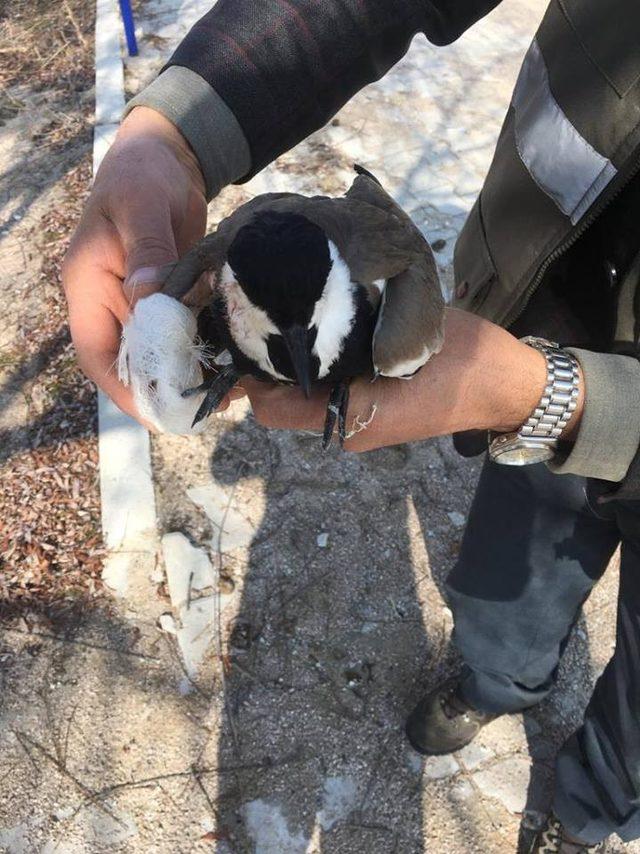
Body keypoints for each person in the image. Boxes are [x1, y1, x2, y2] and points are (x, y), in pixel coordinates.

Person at [62, 2, 640, 851]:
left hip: (547, 372)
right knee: (501, 582)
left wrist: (552, 397)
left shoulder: (390, 319)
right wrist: (173, 129)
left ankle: (587, 813)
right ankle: (493, 682)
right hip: (554, 301)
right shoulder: (228, 272)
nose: (295, 354)